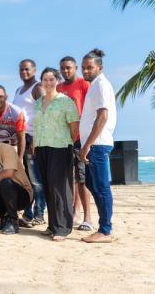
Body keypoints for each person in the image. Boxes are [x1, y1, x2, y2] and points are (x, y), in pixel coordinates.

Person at [33, 67, 79, 242]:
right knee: (47, 186)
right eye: (45, 79)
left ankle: (63, 228)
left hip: (60, 147)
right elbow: (37, 126)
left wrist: (66, 142)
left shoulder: (66, 101)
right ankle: (52, 225)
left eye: (52, 79)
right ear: (42, 81)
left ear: (57, 81)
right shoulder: (38, 102)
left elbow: (74, 127)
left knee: (60, 187)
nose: (48, 82)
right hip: (41, 147)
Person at [78, 49, 117, 244]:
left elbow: (103, 116)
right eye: (83, 67)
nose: (85, 71)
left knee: (101, 187)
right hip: (94, 145)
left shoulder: (101, 84)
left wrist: (87, 145)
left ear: (99, 68)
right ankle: (104, 226)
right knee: (92, 184)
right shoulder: (94, 85)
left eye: (89, 67)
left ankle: (105, 230)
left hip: (98, 145)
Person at [58, 56, 93, 231]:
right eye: (62, 68)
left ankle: (87, 217)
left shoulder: (83, 84)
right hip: (63, 139)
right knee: (67, 178)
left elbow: (91, 110)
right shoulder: (59, 88)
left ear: (75, 68)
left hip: (80, 138)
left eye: (68, 68)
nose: (65, 71)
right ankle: (72, 211)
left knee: (82, 179)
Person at [12, 59, 46, 227]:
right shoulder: (19, 90)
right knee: (23, 178)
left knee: (35, 179)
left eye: (27, 69)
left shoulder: (38, 88)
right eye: (21, 69)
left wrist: (38, 139)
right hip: (20, 137)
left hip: (32, 137)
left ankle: (39, 213)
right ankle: (28, 212)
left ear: (34, 70)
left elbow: (43, 113)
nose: (24, 72)